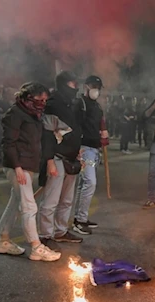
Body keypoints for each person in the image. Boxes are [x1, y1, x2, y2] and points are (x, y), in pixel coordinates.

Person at [0, 82, 61, 261]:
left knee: (16, 202)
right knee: (29, 205)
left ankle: (3, 240)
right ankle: (36, 246)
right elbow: (8, 143)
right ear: (28, 98)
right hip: (18, 166)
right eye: (40, 99)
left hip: (27, 164)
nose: (43, 103)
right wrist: (17, 168)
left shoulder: (34, 115)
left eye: (45, 99)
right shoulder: (15, 114)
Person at [38, 71, 84, 248]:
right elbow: (48, 135)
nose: (75, 88)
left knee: (66, 199)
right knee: (51, 200)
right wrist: (49, 160)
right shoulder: (53, 105)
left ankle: (61, 231)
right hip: (57, 158)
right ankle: (45, 235)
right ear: (64, 85)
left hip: (71, 157)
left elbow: (73, 130)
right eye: (73, 84)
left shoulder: (69, 103)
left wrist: (77, 149)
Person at [73, 75, 108, 235]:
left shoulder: (96, 106)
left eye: (98, 87)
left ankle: (81, 217)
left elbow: (100, 124)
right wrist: (76, 147)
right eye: (93, 86)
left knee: (83, 183)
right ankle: (79, 221)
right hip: (84, 149)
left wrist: (103, 135)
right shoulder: (80, 104)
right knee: (90, 182)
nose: (96, 90)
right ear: (86, 86)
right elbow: (75, 125)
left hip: (94, 150)